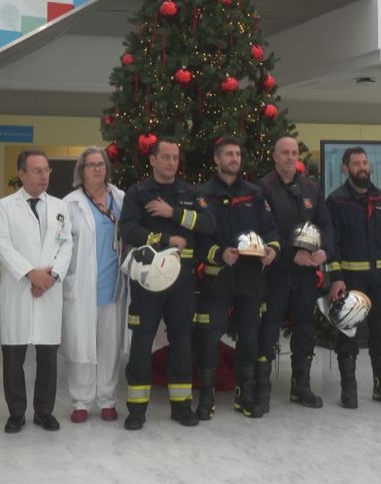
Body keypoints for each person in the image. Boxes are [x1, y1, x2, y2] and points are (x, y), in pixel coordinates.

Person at [119, 137, 215, 430]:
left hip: (182, 282)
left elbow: (209, 224)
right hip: (147, 280)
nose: (172, 163)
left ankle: (181, 407)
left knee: (182, 342)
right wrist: (164, 239)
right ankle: (136, 410)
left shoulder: (189, 192)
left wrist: (173, 213)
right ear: (153, 160)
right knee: (142, 341)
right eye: (166, 157)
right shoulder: (138, 192)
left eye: (175, 158)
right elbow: (128, 230)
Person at [195, 137, 279, 420]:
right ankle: (206, 397)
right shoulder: (202, 195)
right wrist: (218, 253)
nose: (234, 158)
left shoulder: (255, 193)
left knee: (250, 335)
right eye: (229, 154)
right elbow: (196, 240)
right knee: (209, 336)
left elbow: (271, 231)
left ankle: (245, 395)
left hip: (250, 278)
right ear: (217, 160)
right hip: (217, 278)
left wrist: (271, 250)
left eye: (238, 154)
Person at [0, 149, 73, 433]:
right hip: (20, 288)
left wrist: (49, 277)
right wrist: (31, 275)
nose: (44, 176)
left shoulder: (60, 207)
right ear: (22, 174)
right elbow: (3, 245)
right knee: (14, 356)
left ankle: (44, 411)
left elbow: (66, 246)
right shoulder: (5, 206)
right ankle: (16, 413)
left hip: (48, 290)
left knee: (47, 357)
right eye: (37, 170)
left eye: (47, 170)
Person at [257, 136, 335, 412]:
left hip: (305, 275)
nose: (290, 157)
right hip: (276, 272)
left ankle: (300, 387)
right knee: (269, 329)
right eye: (284, 153)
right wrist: (292, 255)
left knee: (305, 327)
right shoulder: (263, 189)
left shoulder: (311, 189)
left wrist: (325, 251)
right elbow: (265, 230)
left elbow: (325, 224)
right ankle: (261, 390)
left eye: (294, 152)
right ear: (275, 156)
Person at [324, 146, 381, 409]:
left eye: (365, 162)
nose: (362, 167)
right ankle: (349, 389)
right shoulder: (336, 201)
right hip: (350, 280)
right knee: (347, 335)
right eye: (356, 163)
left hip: (380, 280)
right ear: (345, 168)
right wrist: (336, 277)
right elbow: (331, 243)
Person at [61, 147, 127, 423]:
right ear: (81, 170)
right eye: (91, 165)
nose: (97, 169)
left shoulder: (120, 198)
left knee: (109, 346)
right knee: (80, 346)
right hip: (82, 287)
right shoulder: (70, 203)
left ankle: (107, 399)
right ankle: (81, 401)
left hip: (113, 286)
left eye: (101, 164)